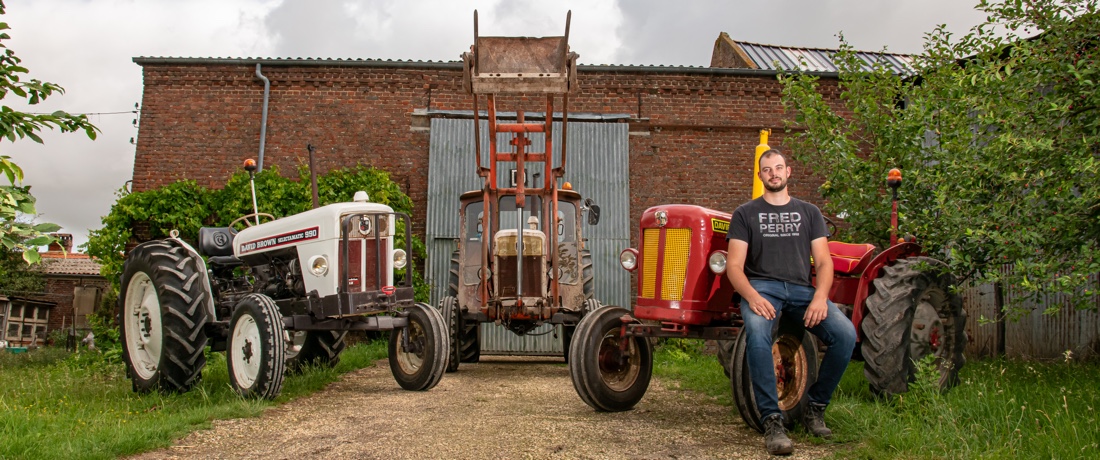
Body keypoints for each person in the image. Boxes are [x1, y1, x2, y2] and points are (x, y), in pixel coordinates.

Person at [725, 149, 856, 456]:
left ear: (788, 172)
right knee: (758, 334)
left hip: (801, 290)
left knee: (845, 335)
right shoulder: (745, 213)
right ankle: (772, 421)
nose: (774, 173)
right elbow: (734, 266)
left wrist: (820, 297)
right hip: (762, 288)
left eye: (778, 167)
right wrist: (752, 296)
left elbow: (823, 262)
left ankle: (815, 408)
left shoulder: (809, 212)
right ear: (761, 175)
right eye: (767, 169)